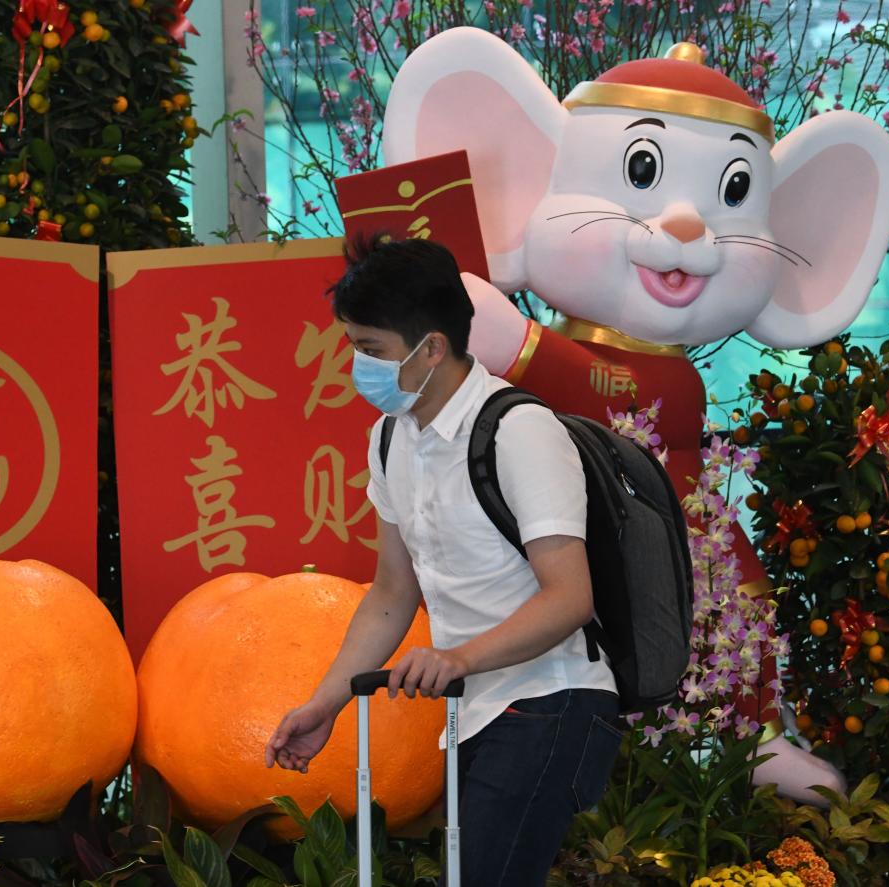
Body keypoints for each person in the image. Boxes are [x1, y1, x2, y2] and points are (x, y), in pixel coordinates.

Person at [263, 234, 624, 886]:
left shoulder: (520, 431)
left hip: (553, 697)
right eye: (353, 345)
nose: (356, 365)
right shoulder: (390, 438)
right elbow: (391, 596)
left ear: (432, 347)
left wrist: (457, 657)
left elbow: (570, 597)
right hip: (475, 708)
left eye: (372, 350)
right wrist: (326, 702)